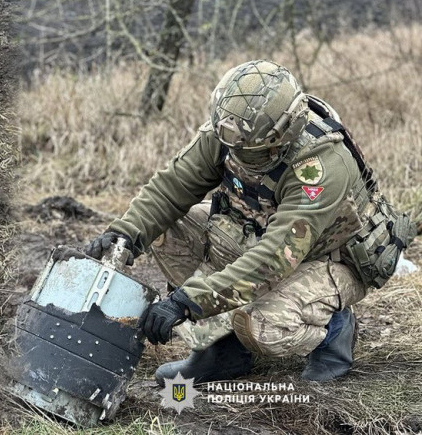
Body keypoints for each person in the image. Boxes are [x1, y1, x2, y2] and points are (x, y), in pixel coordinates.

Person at [85, 60, 415, 383]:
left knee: (263, 327)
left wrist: (189, 302)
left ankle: (334, 329)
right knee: (166, 230)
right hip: (262, 234)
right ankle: (223, 351)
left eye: (248, 150)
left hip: (328, 259)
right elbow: (172, 187)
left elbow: (273, 259)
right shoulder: (234, 130)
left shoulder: (322, 167)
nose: (236, 153)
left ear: (280, 134)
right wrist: (123, 234)